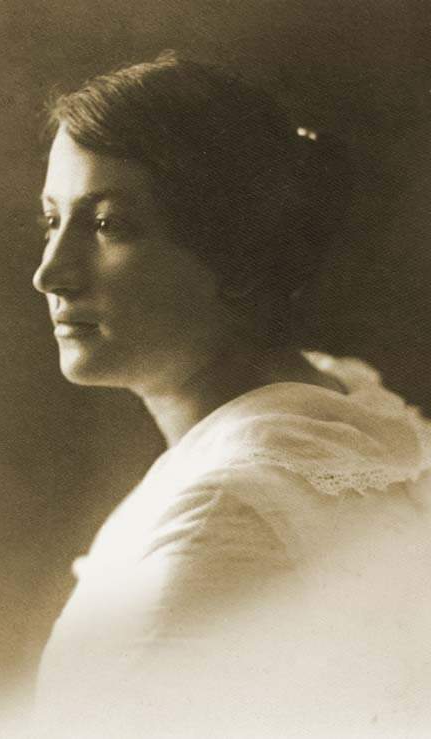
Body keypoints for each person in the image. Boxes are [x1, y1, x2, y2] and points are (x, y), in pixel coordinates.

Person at [32, 51, 431, 738]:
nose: (51, 273)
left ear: (238, 257)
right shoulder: (344, 400)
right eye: (51, 221)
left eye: (108, 225)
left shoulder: (219, 528)